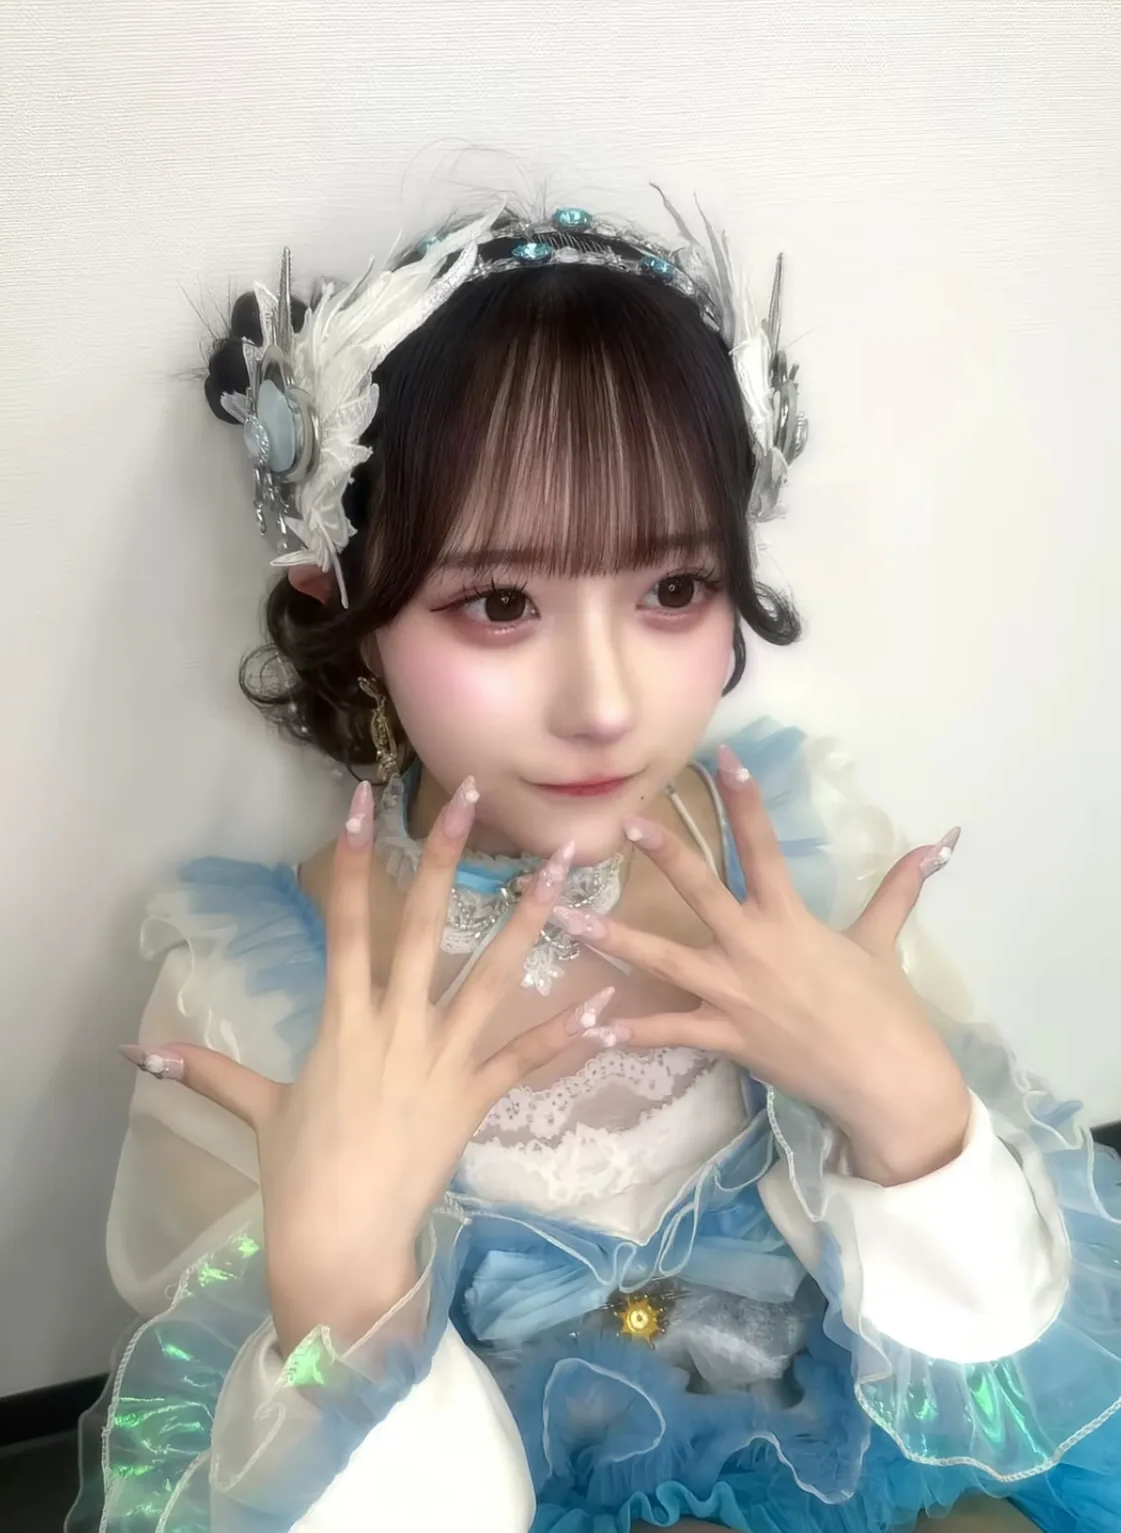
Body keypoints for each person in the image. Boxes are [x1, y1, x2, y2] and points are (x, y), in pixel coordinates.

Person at [68, 194, 1121, 1533]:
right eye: (501, 603)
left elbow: (1009, 1372)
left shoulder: (799, 851)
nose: (607, 705)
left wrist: (912, 1121)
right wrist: (343, 1289)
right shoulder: (253, 997)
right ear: (345, 595)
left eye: (674, 589)